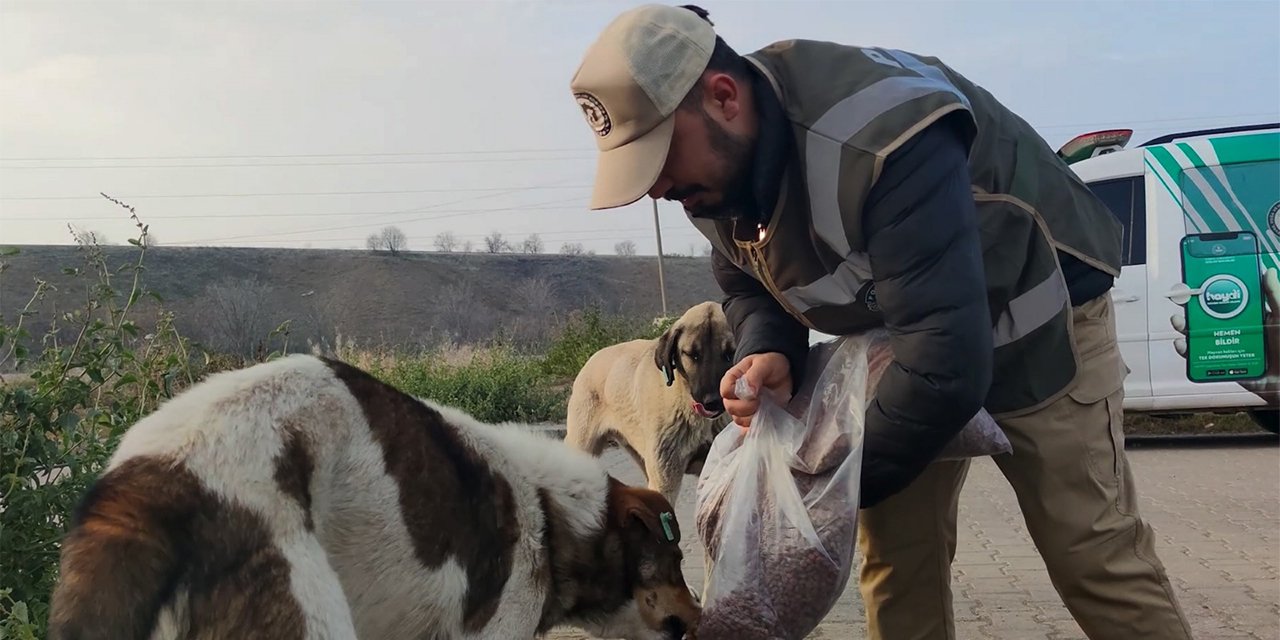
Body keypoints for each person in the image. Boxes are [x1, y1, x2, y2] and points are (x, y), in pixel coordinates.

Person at [567, 4, 1198, 639]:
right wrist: (771, 348)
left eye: (660, 157)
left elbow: (945, 366)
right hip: (906, 349)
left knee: (1088, 550)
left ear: (723, 97)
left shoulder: (878, 135)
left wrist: (811, 501)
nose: (655, 187)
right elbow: (743, 278)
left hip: (1037, 326)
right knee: (897, 560)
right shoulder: (708, 177)